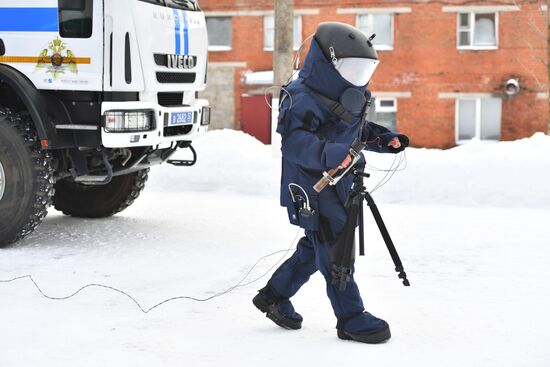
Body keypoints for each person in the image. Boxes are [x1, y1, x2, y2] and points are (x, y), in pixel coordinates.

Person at [253, 22, 409, 344]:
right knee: (336, 251)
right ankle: (350, 318)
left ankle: (273, 296)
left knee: (315, 247)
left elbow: (356, 133)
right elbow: (294, 144)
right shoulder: (300, 97)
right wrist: (329, 153)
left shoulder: (351, 95)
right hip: (313, 186)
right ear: (328, 63)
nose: (357, 76)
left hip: (341, 184)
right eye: (351, 68)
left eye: (363, 70)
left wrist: (384, 139)